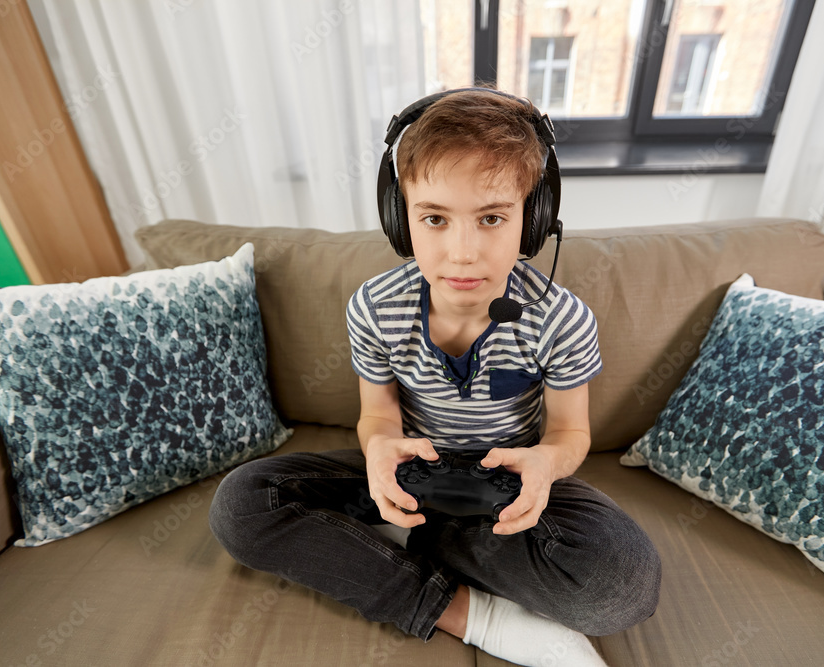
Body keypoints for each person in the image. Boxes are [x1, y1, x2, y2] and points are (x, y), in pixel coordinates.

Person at [209, 88, 661, 667]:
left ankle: (396, 545)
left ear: (534, 218)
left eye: (492, 217)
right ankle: (471, 613)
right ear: (402, 220)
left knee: (624, 586)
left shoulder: (561, 318)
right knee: (241, 505)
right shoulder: (375, 307)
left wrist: (546, 465)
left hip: (509, 484)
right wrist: (377, 451)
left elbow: (571, 433)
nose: (463, 252)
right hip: (413, 471)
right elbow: (378, 414)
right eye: (435, 219)